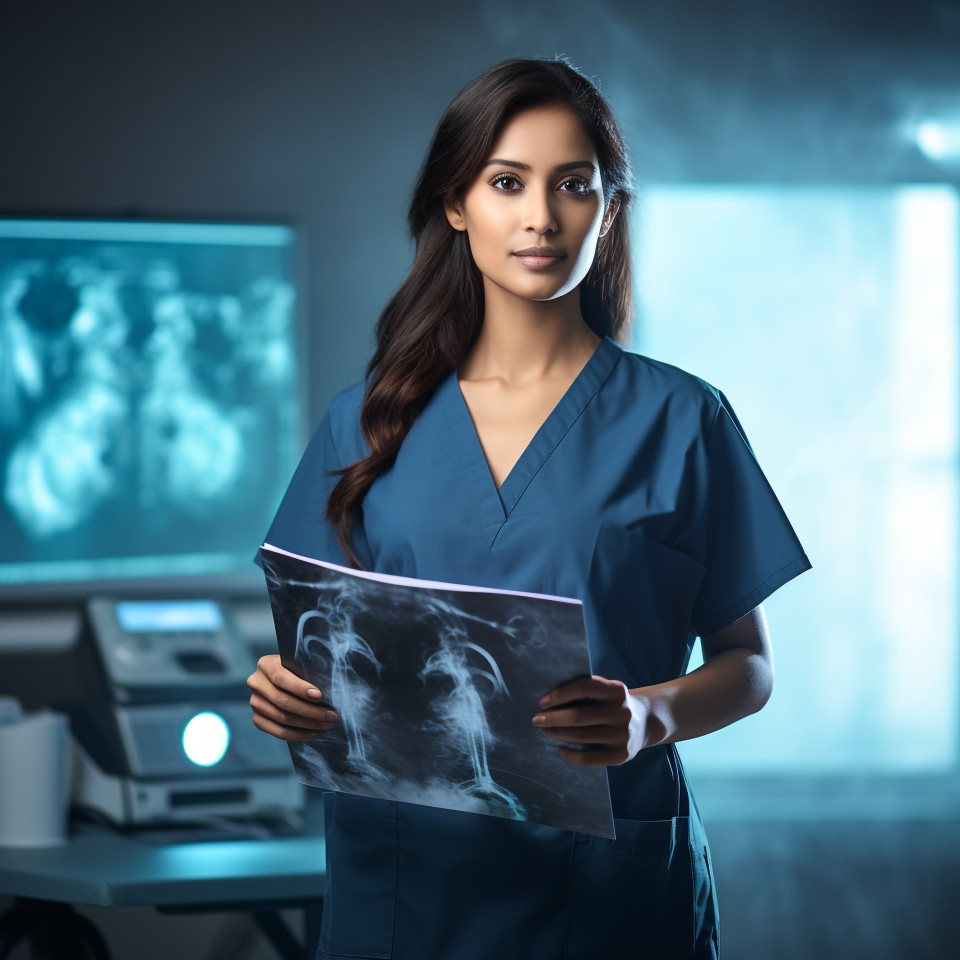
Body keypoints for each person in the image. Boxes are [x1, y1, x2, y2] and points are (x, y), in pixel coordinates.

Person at [246, 55, 811, 960]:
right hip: (404, 894)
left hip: (604, 894)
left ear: (610, 211)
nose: (541, 217)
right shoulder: (360, 421)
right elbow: (313, 645)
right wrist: (283, 692)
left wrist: (650, 715)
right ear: (457, 204)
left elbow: (749, 666)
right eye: (507, 182)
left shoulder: (681, 418)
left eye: (573, 186)